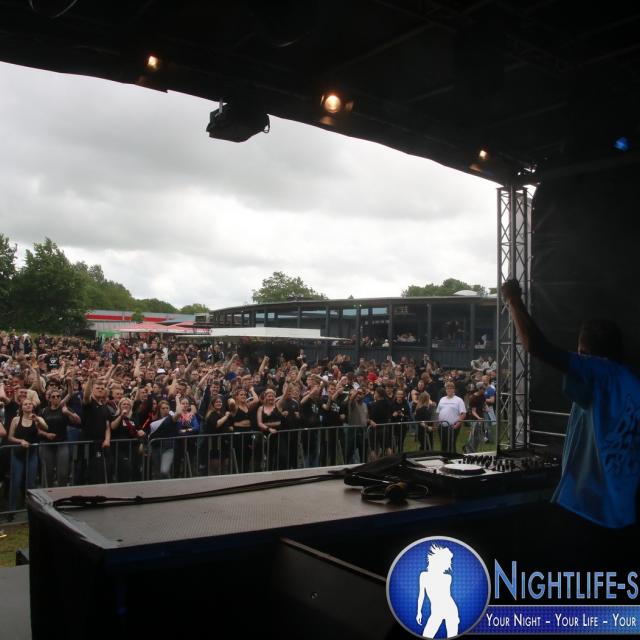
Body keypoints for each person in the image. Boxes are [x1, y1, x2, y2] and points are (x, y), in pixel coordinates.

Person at [502, 278, 640, 530]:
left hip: (589, 508)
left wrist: (513, 300)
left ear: (586, 353)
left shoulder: (600, 372)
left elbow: (537, 347)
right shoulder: (631, 382)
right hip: (624, 510)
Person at [435, 382, 466, 453]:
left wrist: (457, 425)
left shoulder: (459, 400)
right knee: (443, 444)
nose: (449, 390)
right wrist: (437, 424)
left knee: (451, 444)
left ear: (454, 389)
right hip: (442, 426)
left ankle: (452, 458)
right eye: (447, 388)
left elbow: (463, 414)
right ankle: (444, 457)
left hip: (453, 426)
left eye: (450, 388)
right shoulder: (442, 399)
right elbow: (438, 412)